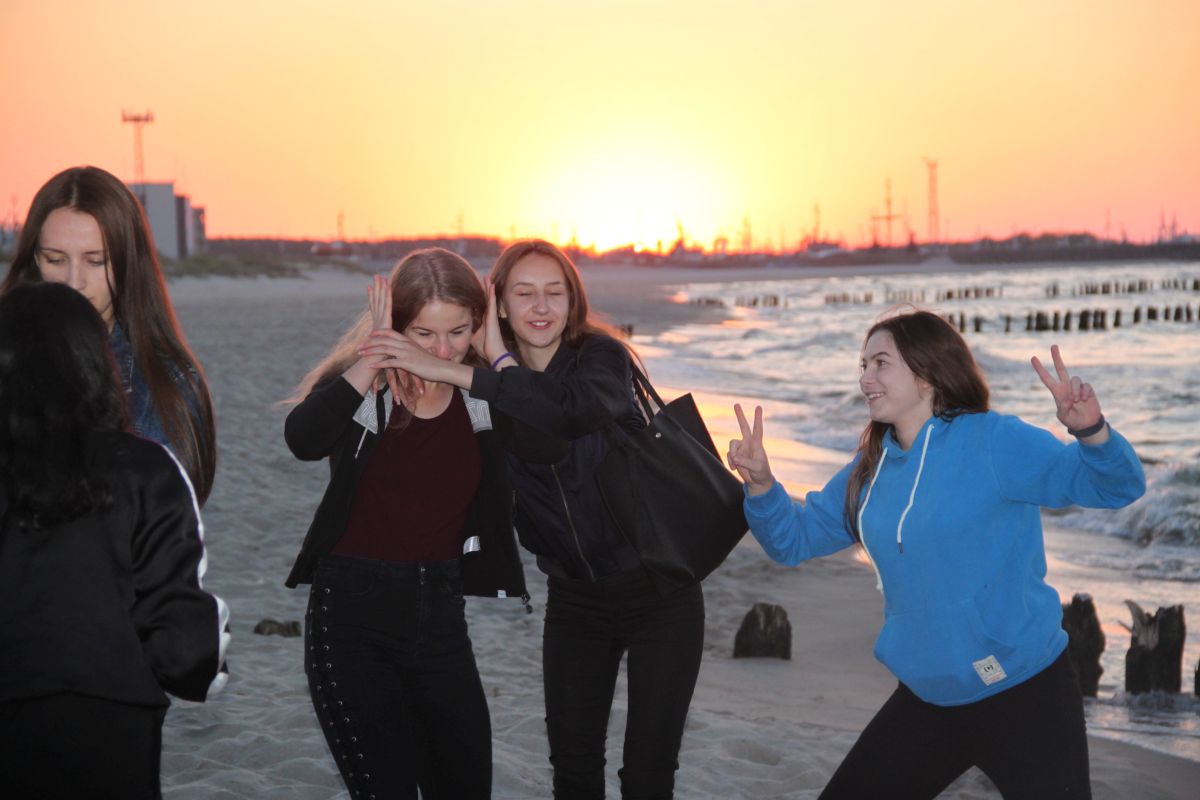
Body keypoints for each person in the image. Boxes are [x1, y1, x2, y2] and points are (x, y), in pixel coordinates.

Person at [726, 309, 1145, 799]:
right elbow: (792, 540)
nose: (865, 379)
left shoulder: (994, 441)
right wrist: (762, 486)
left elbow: (1117, 486)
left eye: (881, 363)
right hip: (929, 696)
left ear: (926, 373)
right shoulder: (870, 470)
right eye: (863, 365)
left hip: (1025, 692)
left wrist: (1092, 432)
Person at [361, 239, 705, 799]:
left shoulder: (602, 360)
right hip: (574, 600)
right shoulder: (482, 385)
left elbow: (564, 416)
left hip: (660, 592)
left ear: (573, 301)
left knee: (648, 773)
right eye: (524, 294)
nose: (541, 307)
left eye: (554, 292)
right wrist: (385, 354)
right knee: (572, 768)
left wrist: (495, 364)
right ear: (499, 304)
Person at [283, 248, 528, 800]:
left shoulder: (482, 395)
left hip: (441, 620)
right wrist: (371, 359)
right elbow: (302, 439)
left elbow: (549, 441)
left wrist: (494, 357)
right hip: (351, 622)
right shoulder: (367, 389)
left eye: (458, 332)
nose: (442, 350)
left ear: (479, 324)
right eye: (423, 334)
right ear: (395, 327)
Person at [0, 282, 229, 800]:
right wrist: (209, 665)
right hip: (109, 722)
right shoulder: (144, 468)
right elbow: (181, 639)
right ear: (95, 363)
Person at [1, 166, 217, 505]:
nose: (73, 282)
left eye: (96, 262)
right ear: (34, 261)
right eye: (55, 260)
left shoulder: (164, 384)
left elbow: (171, 518)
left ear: (128, 263)